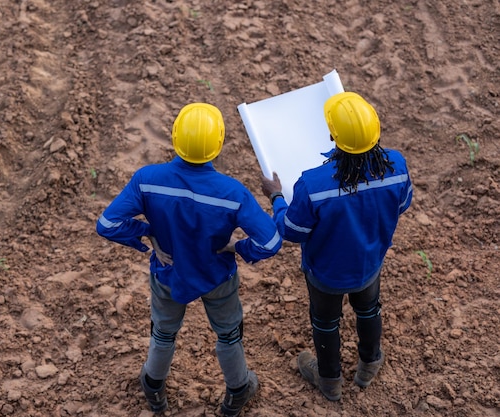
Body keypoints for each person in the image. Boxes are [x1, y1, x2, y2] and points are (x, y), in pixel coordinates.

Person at [96, 102, 282, 416]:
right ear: (219, 144)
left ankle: (153, 387)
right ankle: (238, 390)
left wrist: (146, 232)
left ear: (175, 138)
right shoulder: (232, 193)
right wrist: (237, 248)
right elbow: (272, 241)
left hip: (168, 274)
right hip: (216, 276)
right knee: (228, 333)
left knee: (163, 333)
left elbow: (107, 224)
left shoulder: (147, 179)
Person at [261, 92, 413, 401]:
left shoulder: (313, 184)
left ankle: (329, 380)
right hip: (370, 263)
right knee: (368, 309)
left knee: (326, 322)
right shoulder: (395, 165)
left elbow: (292, 230)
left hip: (325, 273)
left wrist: (276, 197)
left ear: (332, 135)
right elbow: (402, 204)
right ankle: (370, 362)